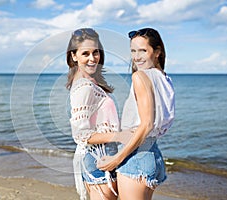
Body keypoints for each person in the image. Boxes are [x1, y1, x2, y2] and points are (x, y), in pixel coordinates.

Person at [97, 27, 175, 200]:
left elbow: (146, 125)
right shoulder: (165, 78)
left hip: (136, 157)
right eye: (133, 51)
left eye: (143, 51)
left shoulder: (140, 76)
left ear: (157, 52)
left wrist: (117, 159)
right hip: (153, 154)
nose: (136, 57)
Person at [66, 28, 120, 200]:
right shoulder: (84, 87)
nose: (92, 58)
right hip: (98, 158)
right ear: (74, 56)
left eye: (95, 52)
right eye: (85, 53)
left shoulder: (91, 82)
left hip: (104, 155)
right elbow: (81, 135)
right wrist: (122, 135)